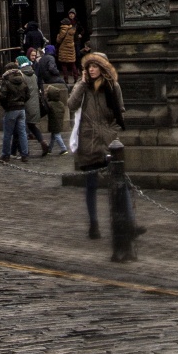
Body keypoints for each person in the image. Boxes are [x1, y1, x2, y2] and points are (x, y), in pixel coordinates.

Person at [67, 52, 127, 237]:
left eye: (95, 66)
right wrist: (82, 84)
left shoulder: (112, 86)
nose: (92, 69)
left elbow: (119, 114)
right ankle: (94, 224)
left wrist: (110, 134)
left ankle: (127, 223)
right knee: (91, 185)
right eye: (89, 66)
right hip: (88, 142)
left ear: (103, 68)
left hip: (107, 142)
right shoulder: (83, 86)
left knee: (120, 184)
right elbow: (71, 104)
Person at [18, 53, 52, 156]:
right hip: (34, 104)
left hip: (25, 105)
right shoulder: (33, 75)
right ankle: (42, 142)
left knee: (21, 129)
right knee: (31, 126)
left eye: (17, 62)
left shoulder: (21, 75)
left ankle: (24, 151)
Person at [0, 58, 31, 161]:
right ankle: (24, 154)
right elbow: (28, 94)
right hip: (21, 108)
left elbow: (2, 96)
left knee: (8, 133)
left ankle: (6, 154)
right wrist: (22, 101)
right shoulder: (22, 79)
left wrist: (6, 105)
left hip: (11, 108)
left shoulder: (6, 80)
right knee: (22, 132)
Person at [56, 13, 79, 84]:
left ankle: (66, 79)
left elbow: (59, 40)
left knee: (64, 64)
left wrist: (57, 36)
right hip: (71, 48)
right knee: (72, 64)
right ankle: (76, 78)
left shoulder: (63, 29)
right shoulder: (72, 30)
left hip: (64, 48)